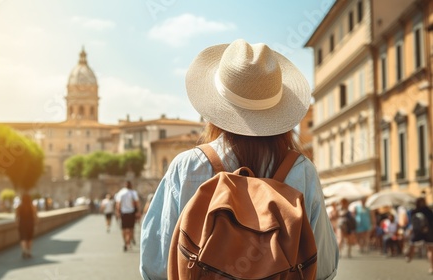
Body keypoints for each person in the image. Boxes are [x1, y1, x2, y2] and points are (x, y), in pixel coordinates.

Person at [140, 39, 338, 279]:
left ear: (216, 107)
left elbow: (155, 264)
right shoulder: (302, 170)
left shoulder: (188, 166)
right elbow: (324, 266)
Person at [405, 197, 433, 274]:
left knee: (412, 245)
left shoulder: (413, 211)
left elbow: (412, 223)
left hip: (417, 232)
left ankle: (409, 256)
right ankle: (431, 267)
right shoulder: (429, 211)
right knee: (430, 250)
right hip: (429, 232)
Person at [115, 181, 140, 252]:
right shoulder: (133, 193)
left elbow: (118, 204)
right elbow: (137, 203)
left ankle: (125, 242)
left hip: (123, 213)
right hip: (131, 213)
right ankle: (128, 242)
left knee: (124, 229)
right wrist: (138, 211)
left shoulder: (121, 193)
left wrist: (118, 212)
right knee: (131, 228)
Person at [15, 194, 38, 258]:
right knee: (29, 238)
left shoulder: (19, 206)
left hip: (22, 224)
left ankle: (24, 251)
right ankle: (29, 251)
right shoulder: (32, 206)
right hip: (30, 224)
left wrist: (17, 224)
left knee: (23, 238)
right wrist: (35, 224)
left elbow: (16, 217)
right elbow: (35, 216)